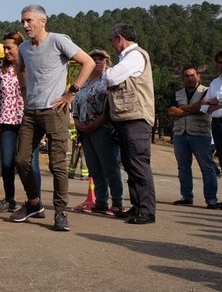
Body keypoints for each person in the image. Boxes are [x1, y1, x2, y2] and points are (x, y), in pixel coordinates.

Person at [11, 4, 95, 232]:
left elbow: (89, 62)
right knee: (20, 160)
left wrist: (71, 92)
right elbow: (20, 70)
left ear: (42, 21)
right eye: (23, 22)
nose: (25, 25)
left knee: (57, 165)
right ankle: (34, 203)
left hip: (55, 110)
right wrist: (24, 91)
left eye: (29, 21)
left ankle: (60, 212)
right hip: (31, 111)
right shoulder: (25, 49)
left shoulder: (58, 41)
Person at [105, 23, 157, 224]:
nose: (112, 44)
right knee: (130, 164)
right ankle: (138, 207)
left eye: (112, 40)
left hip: (136, 118)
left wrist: (109, 78)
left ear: (119, 37)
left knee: (138, 163)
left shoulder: (135, 55)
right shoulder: (127, 58)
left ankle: (146, 210)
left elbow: (109, 78)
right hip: (127, 118)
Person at [0, 31, 42, 214]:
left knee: (31, 163)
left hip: (28, 121)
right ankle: (9, 199)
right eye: (4, 48)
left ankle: (36, 202)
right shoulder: (0, 71)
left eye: (9, 47)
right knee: (6, 163)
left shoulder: (29, 66)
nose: (6, 51)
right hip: (6, 122)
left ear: (19, 47)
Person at [71, 49, 125, 215]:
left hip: (103, 129)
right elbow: (75, 105)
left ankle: (117, 203)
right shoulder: (84, 83)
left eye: (100, 59)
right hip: (85, 131)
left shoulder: (108, 81)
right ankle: (101, 201)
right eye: (93, 59)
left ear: (107, 62)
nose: (97, 61)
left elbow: (111, 107)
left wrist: (96, 123)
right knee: (95, 169)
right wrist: (78, 123)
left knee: (110, 167)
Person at [168, 65, 219, 208]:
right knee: (183, 168)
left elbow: (202, 110)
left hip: (201, 135)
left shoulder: (207, 92)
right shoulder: (177, 93)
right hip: (180, 134)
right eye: (186, 76)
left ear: (198, 76)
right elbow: (171, 112)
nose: (190, 78)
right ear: (183, 78)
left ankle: (211, 199)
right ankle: (186, 196)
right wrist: (194, 108)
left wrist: (183, 108)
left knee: (207, 167)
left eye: (192, 75)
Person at [201, 50, 222, 203]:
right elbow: (204, 105)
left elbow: (215, 100)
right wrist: (215, 103)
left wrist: (213, 102)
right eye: (220, 62)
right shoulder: (215, 82)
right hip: (216, 124)